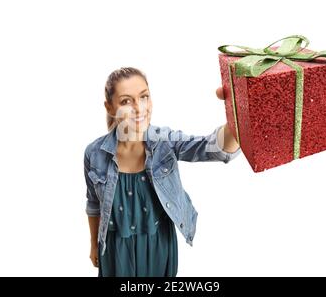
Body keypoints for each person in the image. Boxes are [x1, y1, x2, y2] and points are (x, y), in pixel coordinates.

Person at [84, 67, 241, 277]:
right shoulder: (94, 153)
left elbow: (210, 148)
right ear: (109, 107)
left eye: (144, 97)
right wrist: (94, 245)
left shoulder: (165, 141)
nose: (139, 109)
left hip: (159, 244)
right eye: (125, 101)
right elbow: (93, 204)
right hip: (114, 248)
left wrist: (238, 115)